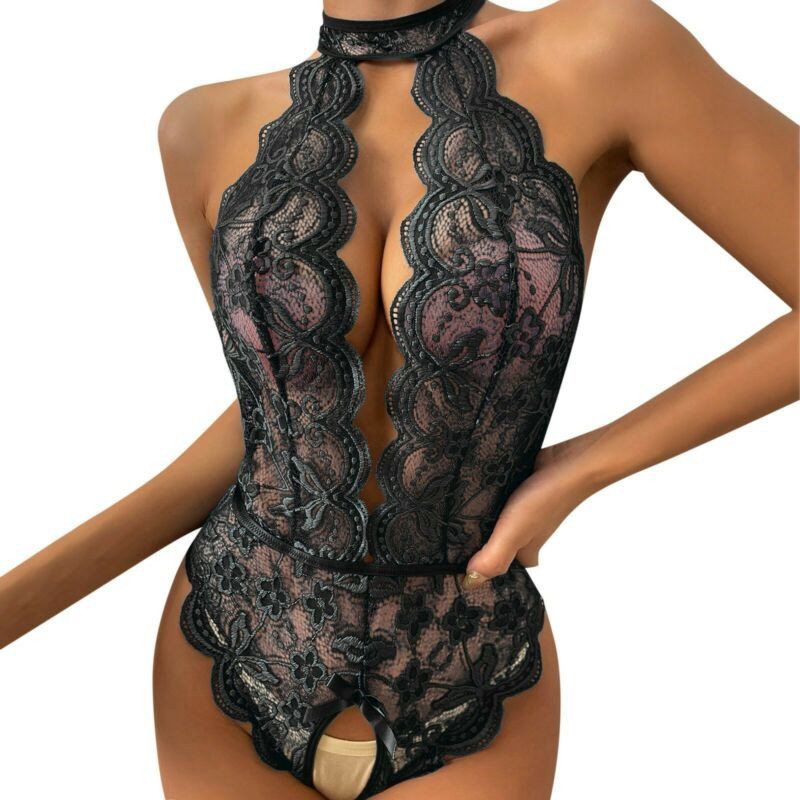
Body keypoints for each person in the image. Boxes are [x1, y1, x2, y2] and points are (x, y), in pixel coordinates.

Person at [1, 2, 797, 799]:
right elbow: (277, 427)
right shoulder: (201, 129)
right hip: (234, 638)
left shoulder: (607, 52)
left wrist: (581, 468)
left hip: (466, 655)